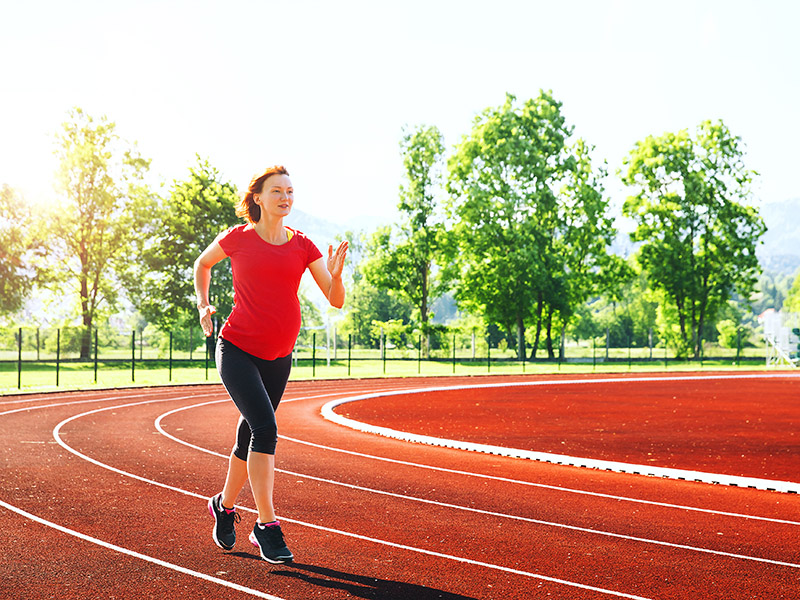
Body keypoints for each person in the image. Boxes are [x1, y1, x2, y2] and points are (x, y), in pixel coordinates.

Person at [193, 165, 347, 564]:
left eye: (290, 192)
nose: (286, 197)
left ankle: (223, 506)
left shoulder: (303, 246)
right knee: (266, 429)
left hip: (279, 357)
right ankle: (267, 525)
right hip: (237, 349)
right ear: (258, 198)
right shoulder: (238, 239)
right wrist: (203, 303)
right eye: (277, 191)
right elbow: (202, 264)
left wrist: (336, 275)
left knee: (250, 437)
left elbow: (335, 299)